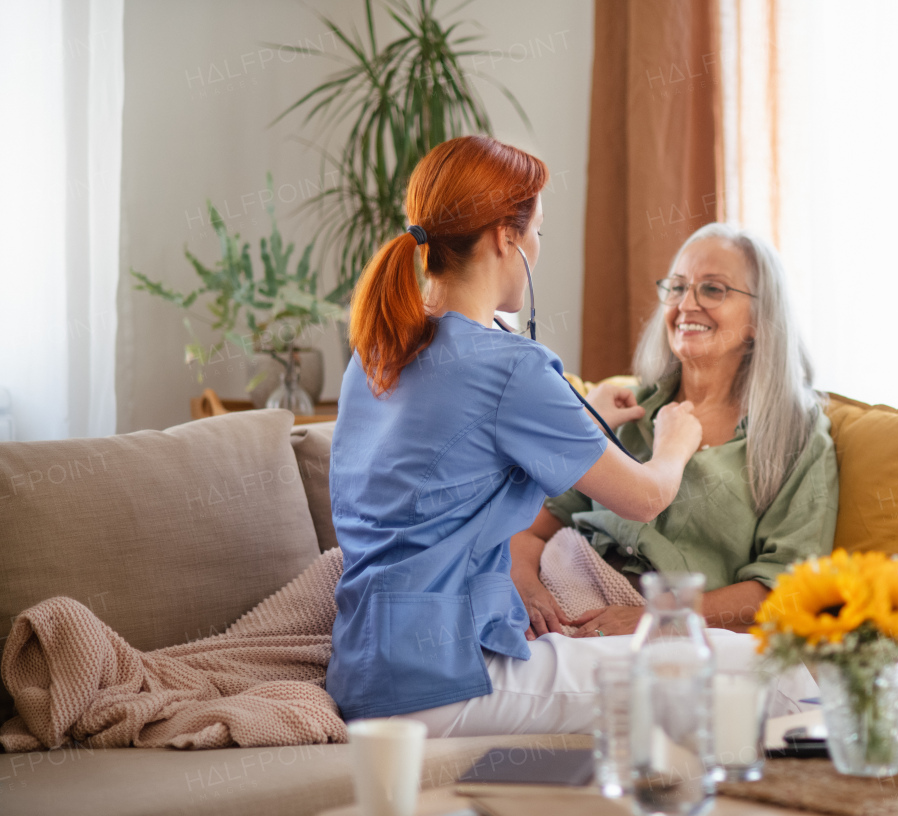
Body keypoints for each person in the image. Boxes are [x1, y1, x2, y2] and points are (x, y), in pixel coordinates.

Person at [325, 137, 814, 737]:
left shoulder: (376, 351)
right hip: (447, 678)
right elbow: (644, 498)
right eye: (535, 233)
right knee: (772, 669)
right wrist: (674, 443)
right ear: (507, 239)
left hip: (363, 669)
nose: (536, 247)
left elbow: (460, 451)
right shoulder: (511, 368)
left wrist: (581, 415)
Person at [510, 223, 839, 639]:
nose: (687, 304)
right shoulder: (626, 412)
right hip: (561, 591)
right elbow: (531, 526)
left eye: (713, 289)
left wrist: (658, 614)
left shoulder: (798, 436)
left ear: (759, 318)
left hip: (672, 631)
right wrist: (527, 589)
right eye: (678, 287)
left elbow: (789, 587)